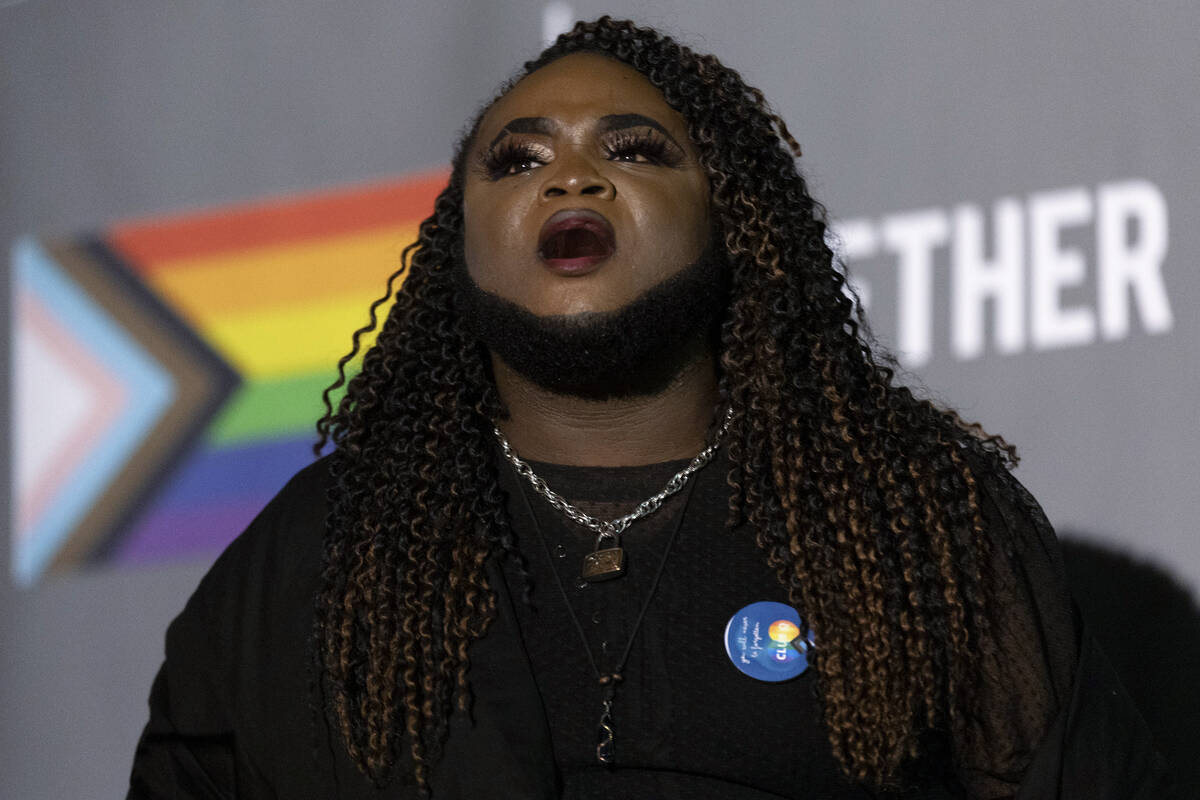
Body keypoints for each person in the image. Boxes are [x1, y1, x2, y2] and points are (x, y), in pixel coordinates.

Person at [128, 17, 1172, 800]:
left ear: (735, 222)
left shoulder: (917, 527)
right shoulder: (317, 561)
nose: (569, 175)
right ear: (459, 247)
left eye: (633, 150)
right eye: (518, 159)